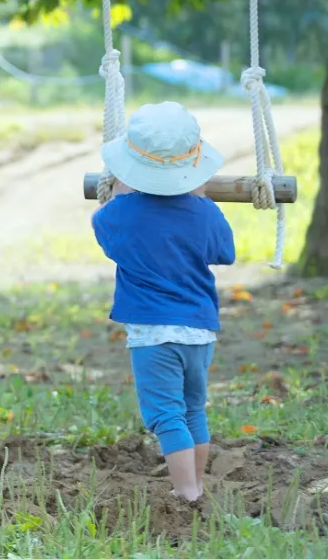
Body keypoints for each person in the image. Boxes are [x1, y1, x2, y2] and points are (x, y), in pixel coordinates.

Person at [91, 101, 236, 503]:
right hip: (200, 329)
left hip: (153, 335)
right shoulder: (204, 212)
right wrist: (202, 201)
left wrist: (118, 195)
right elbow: (224, 251)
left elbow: (102, 227)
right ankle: (196, 486)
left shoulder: (122, 213)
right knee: (193, 410)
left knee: (165, 415)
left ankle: (186, 491)